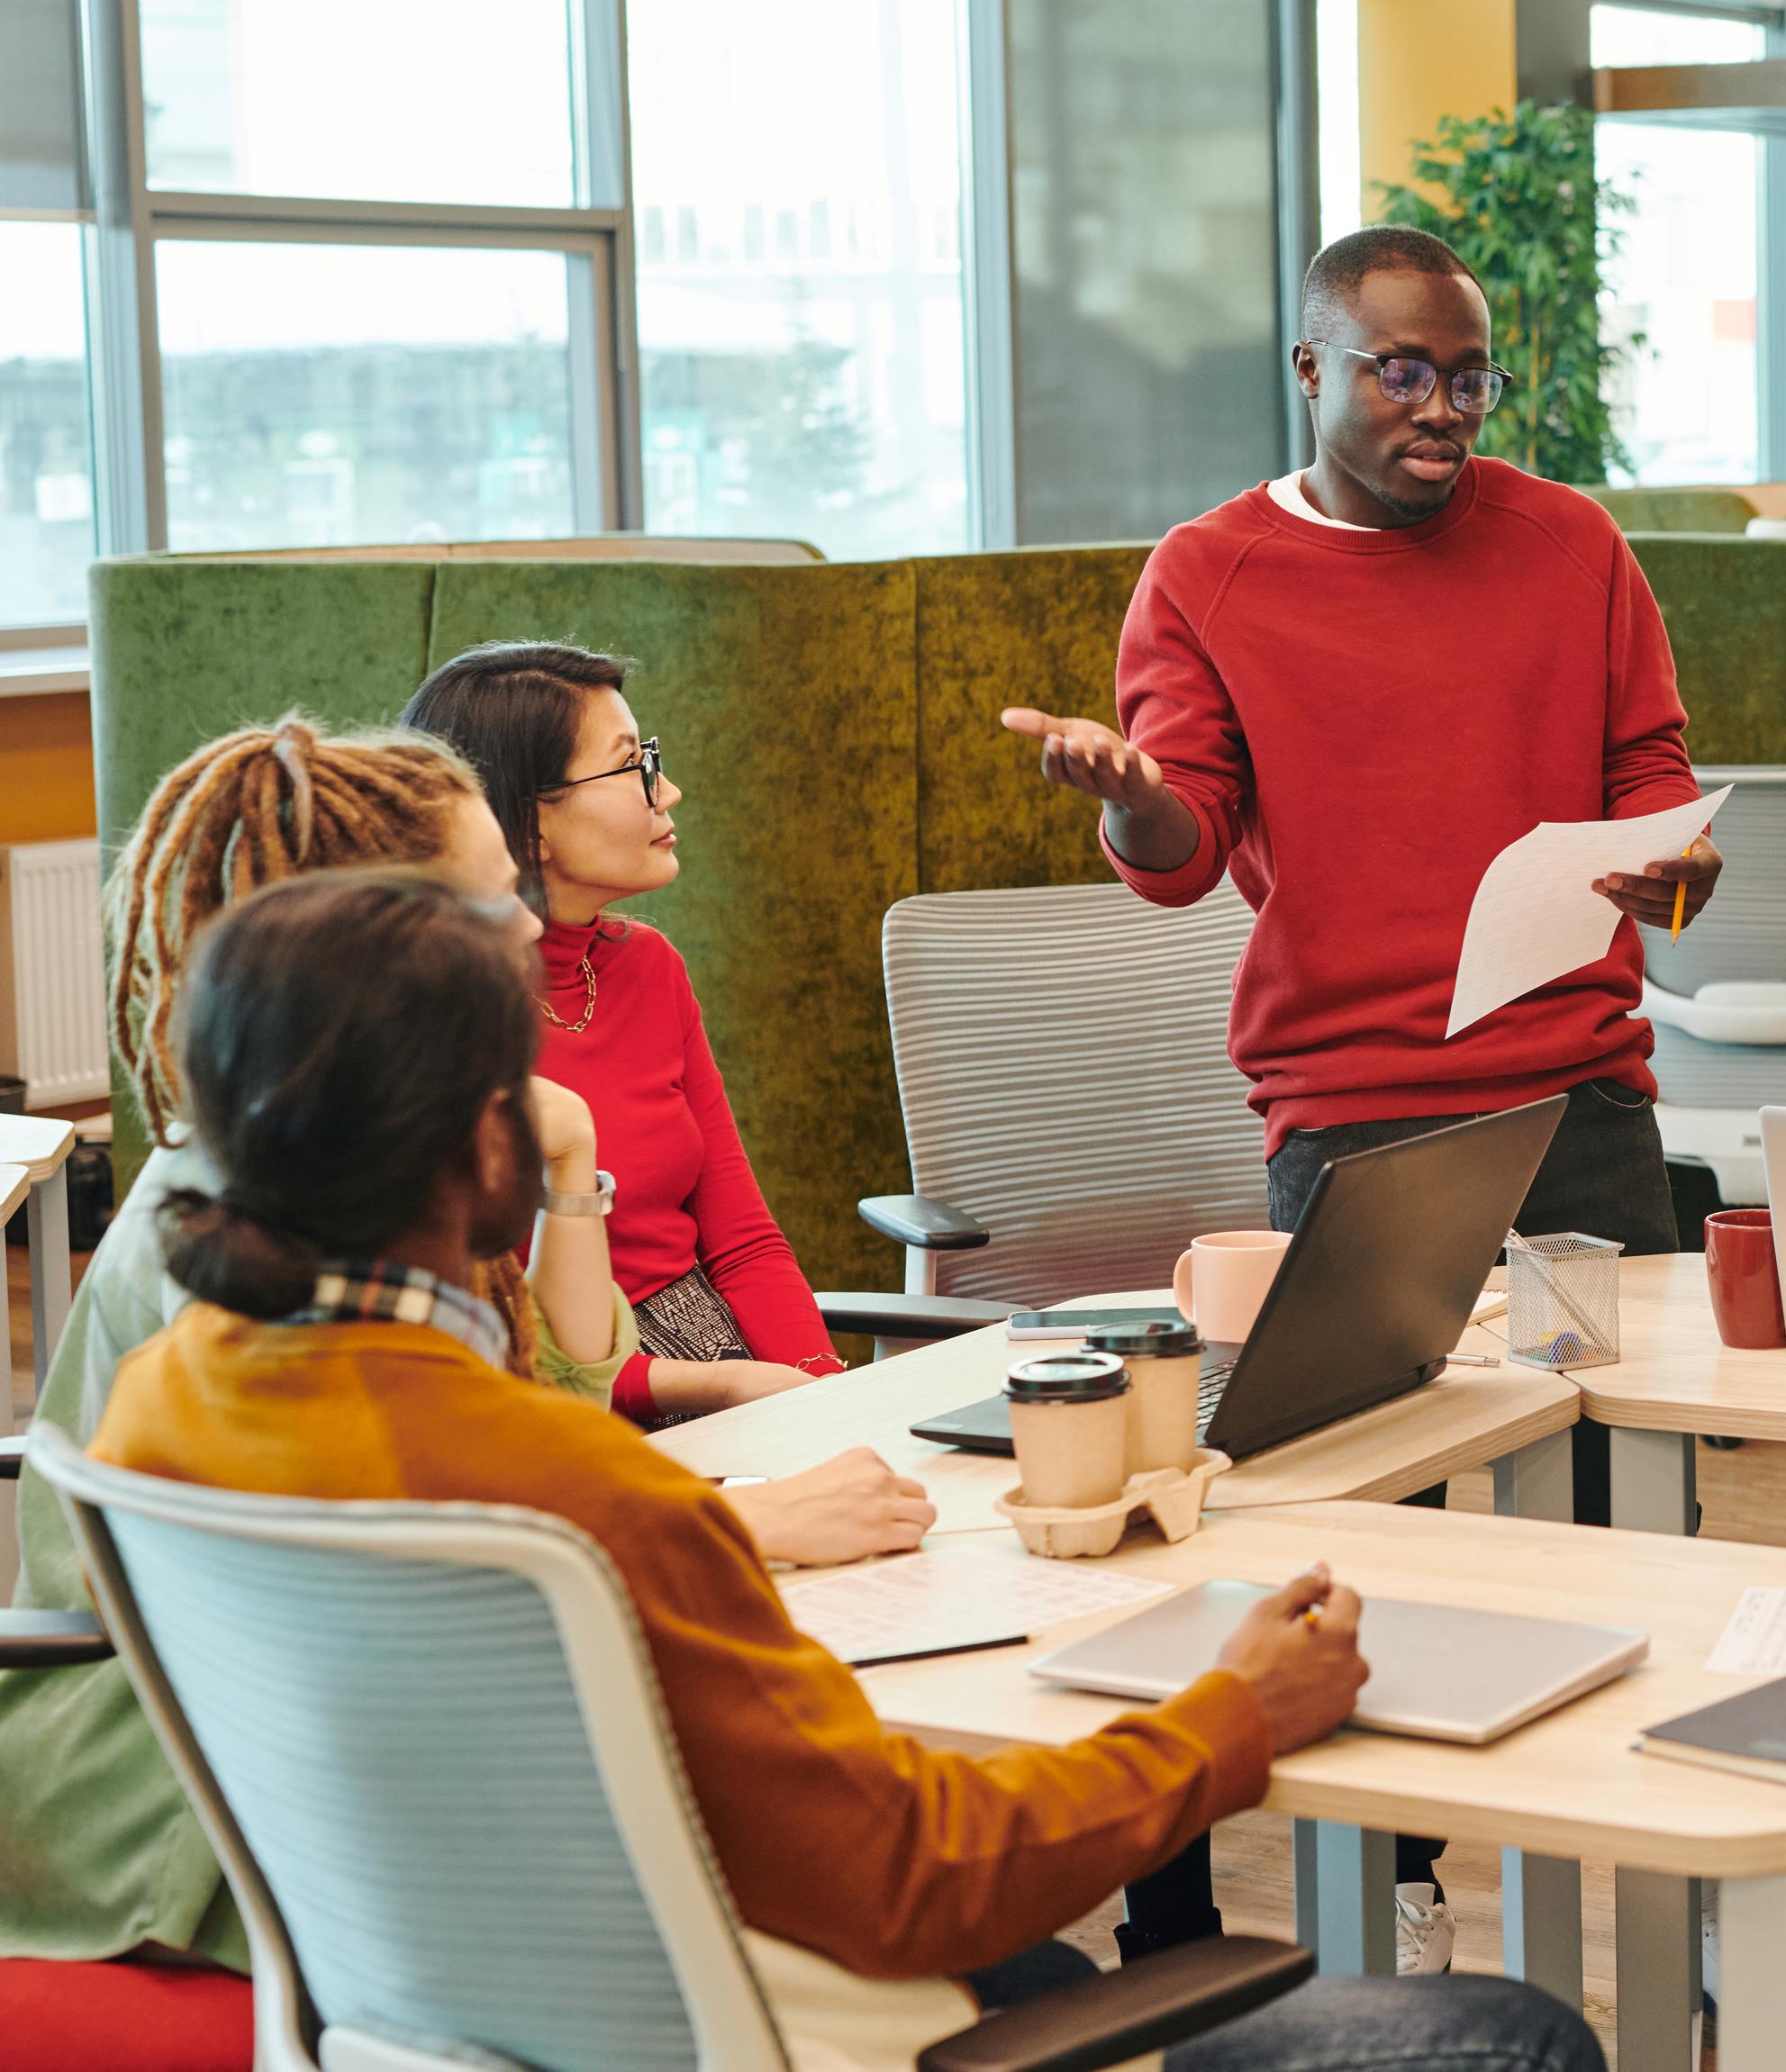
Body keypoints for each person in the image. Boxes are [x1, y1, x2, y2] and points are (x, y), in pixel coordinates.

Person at [85, 868, 1602, 2072]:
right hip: (789, 2026)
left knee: (1045, 1962)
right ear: (490, 1145)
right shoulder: (575, 1489)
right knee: (1514, 2040)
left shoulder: (156, 1411)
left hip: (460, 2024)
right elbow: (912, 1877)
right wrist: (1233, 1719)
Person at [1001, 223, 1722, 1969]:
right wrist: (1125, 798)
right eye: (1402, 371)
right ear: (1311, 368)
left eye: (1469, 375)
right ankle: (1393, 1877)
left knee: (1642, 1498)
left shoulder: (1570, 541)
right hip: (1354, 1109)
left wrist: (1670, 869)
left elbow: (1660, 787)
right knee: (1364, 1518)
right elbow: (1180, 854)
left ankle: (1692, 1858)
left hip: (1579, 1092)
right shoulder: (1208, 572)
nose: (1444, 409)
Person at [0, 719, 927, 1983]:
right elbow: (400, 1552)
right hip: (192, 1795)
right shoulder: (256, 1213)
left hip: (323, 1744)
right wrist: (738, 1527)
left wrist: (568, 1165)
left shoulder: (357, 1151)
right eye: (499, 906)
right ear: (397, 943)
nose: (532, 938)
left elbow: (565, 1396)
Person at [404, 643, 847, 1423]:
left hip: (727, 1368)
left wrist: (824, 1388)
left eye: (653, 758)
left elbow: (743, 1240)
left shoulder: (649, 967)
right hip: (574, 1407)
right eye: (633, 768)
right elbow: (507, 1347)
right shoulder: (432, 1021)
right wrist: (728, 1386)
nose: (668, 791)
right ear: (526, 819)